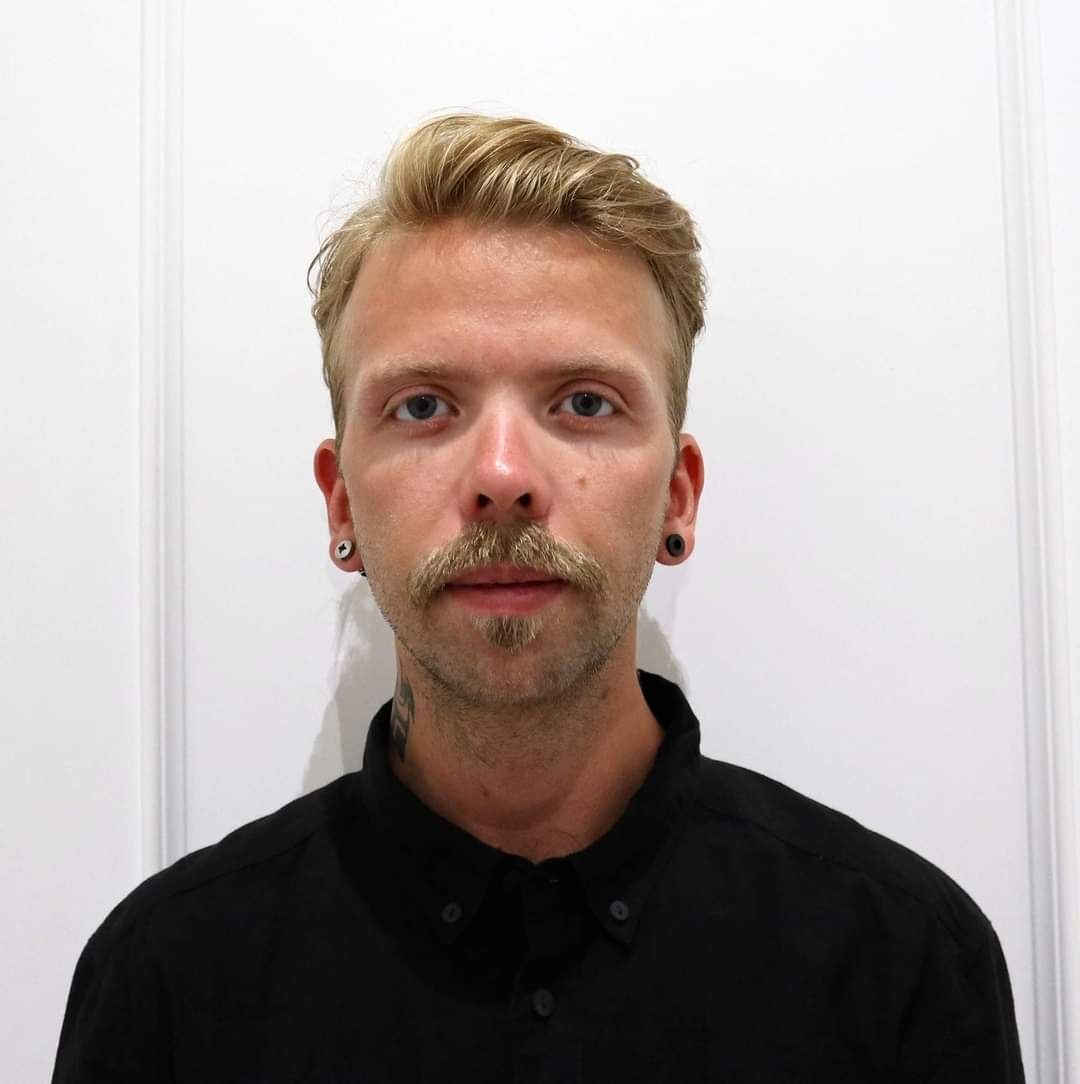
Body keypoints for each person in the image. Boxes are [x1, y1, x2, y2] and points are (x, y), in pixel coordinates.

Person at [52, 112, 1025, 1083]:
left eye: (584, 403)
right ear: (341, 499)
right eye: (424, 406)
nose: (504, 477)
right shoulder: (168, 982)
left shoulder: (903, 963)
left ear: (677, 497)